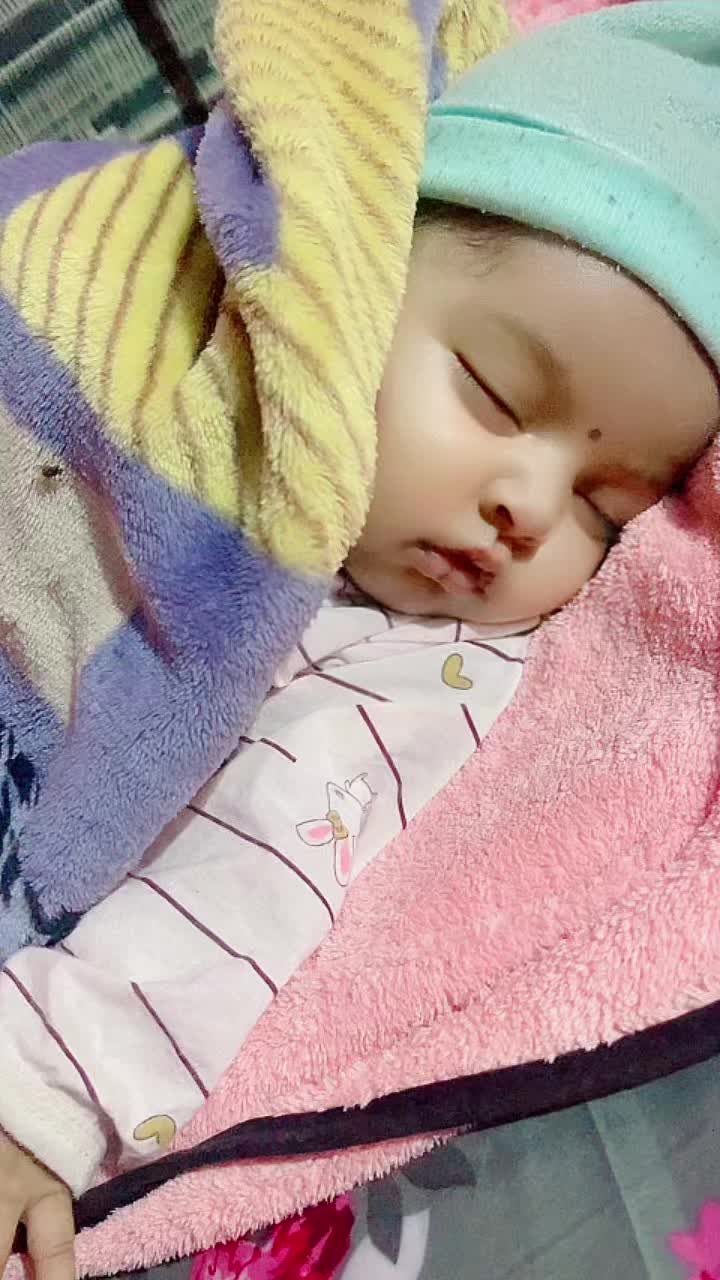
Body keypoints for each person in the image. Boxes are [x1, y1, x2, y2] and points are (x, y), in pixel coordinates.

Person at [2, 1, 719, 1275]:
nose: (529, 503)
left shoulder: (429, 666)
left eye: (604, 509)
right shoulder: (172, 314)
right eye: (495, 392)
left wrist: (38, 1092)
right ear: (363, 274)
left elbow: (254, 879)